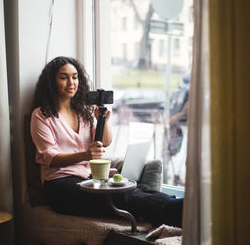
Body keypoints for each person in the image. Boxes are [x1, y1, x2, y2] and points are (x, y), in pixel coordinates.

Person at [30, 56, 183, 227]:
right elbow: (49, 157)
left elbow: (105, 142)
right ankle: (174, 211)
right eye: (63, 77)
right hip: (60, 186)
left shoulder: (84, 111)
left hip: (89, 178)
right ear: (52, 81)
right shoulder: (42, 115)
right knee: (116, 196)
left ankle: (178, 205)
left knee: (135, 188)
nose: (71, 82)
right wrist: (85, 155)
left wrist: (104, 121)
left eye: (74, 77)